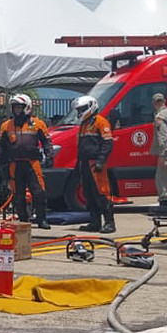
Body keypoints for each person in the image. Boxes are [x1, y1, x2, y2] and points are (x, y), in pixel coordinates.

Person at [0, 94, 52, 229]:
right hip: (15, 164)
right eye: (14, 107)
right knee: (18, 194)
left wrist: (49, 156)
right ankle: (23, 219)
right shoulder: (6, 125)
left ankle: (41, 219)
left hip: (32, 163)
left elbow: (47, 141)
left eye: (19, 107)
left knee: (39, 192)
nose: (16, 110)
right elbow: (1, 145)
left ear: (26, 107)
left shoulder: (38, 124)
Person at [73, 95, 115, 233]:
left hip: (95, 164)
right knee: (89, 195)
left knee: (102, 193)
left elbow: (107, 143)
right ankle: (95, 222)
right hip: (84, 164)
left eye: (82, 109)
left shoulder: (100, 122)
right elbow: (81, 146)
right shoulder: (84, 125)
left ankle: (110, 222)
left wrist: (100, 160)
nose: (80, 112)